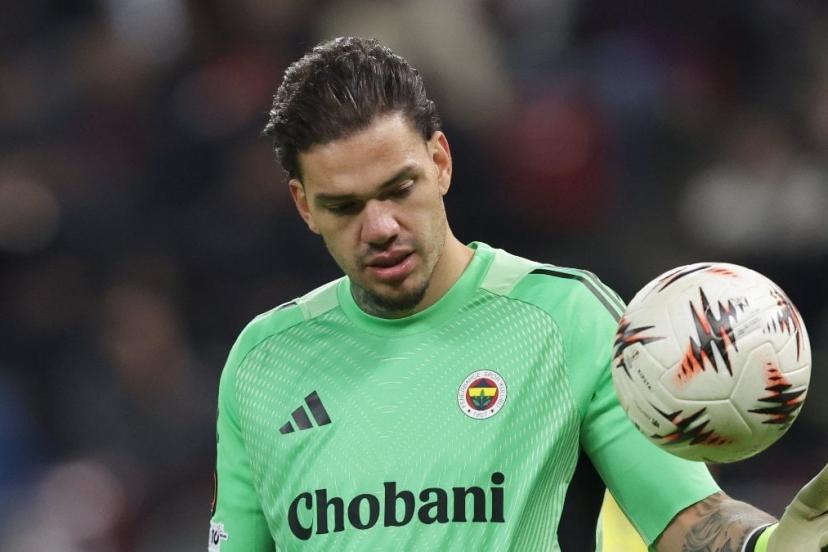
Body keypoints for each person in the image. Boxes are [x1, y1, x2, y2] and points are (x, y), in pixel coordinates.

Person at [209, 36, 828, 551]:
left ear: (441, 162)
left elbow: (688, 520)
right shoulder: (262, 361)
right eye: (344, 207)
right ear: (304, 206)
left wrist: (767, 546)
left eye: (399, 189)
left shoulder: (566, 318)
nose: (380, 227)